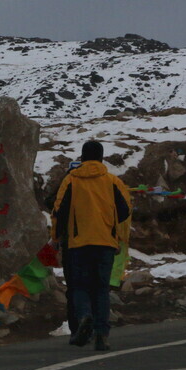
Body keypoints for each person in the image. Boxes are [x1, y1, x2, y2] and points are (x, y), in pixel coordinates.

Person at [50, 141, 132, 351]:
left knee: (80, 287)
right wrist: (110, 227)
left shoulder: (71, 180)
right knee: (101, 289)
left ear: (82, 157)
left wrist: (56, 237)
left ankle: (85, 316)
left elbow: (59, 211)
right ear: (101, 157)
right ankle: (101, 334)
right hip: (105, 243)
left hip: (78, 243)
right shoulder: (111, 181)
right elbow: (124, 210)